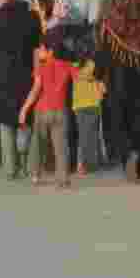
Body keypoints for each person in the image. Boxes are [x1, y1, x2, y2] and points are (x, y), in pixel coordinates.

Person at [97, 0, 140, 182]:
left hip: (117, 83)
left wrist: (99, 76)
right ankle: (137, 160)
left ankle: (127, 159)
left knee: (120, 123)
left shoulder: (112, 22)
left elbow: (103, 53)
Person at [0, 0, 44, 180]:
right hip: (26, 72)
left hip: (2, 74)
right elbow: (37, 48)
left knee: (5, 121)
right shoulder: (32, 17)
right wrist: (38, 71)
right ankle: (28, 163)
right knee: (26, 118)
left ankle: (11, 167)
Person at [20, 34, 84, 187]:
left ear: (50, 51)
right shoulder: (67, 65)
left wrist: (24, 108)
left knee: (38, 144)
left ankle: (35, 174)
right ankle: (63, 178)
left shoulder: (41, 67)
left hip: (42, 110)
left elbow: (36, 89)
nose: (39, 51)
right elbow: (80, 78)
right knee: (61, 147)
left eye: (42, 49)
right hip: (61, 110)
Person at [73, 48, 104, 176]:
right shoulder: (93, 66)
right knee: (93, 134)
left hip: (78, 105)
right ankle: (92, 163)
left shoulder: (73, 67)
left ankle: (81, 164)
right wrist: (101, 95)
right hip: (93, 103)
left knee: (82, 135)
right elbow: (101, 85)